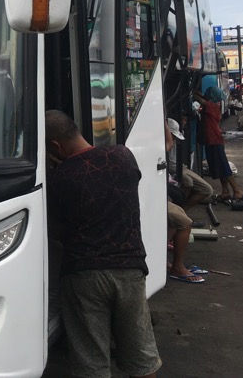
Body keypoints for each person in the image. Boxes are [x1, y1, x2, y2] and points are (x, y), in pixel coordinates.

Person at [45, 110, 161, 378]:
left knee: (92, 364)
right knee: (142, 359)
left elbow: (56, 228)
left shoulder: (60, 178)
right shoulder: (122, 156)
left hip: (83, 275)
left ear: (54, 147)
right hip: (130, 271)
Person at [193, 87, 243, 202]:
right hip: (211, 140)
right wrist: (197, 92)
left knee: (223, 166)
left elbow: (201, 100)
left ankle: (237, 191)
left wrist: (190, 93)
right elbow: (203, 98)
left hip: (214, 140)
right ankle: (225, 191)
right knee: (218, 167)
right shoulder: (213, 105)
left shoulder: (211, 106)